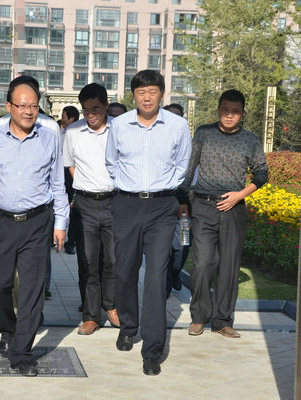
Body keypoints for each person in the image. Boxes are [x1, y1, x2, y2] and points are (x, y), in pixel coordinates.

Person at [0, 76, 69, 377]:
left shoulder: (49, 138)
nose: (28, 111)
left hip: (37, 222)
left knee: (32, 289)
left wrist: (61, 223)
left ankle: (21, 351)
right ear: (9, 106)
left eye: (33, 106)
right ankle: (7, 330)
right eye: (22, 105)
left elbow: (58, 184)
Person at [105, 69, 191, 376]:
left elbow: (183, 165)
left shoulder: (178, 126)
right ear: (134, 96)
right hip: (126, 204)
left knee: (156, 276)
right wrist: (128, 186)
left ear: (162, 94)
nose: (146, 97)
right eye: (141, 92)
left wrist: (163, 187)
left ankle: (152, 350)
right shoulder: (119, 125)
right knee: (125, 269)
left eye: (152, 91)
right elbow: (111, 162)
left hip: (162, 206)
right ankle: (128, 327)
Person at [179, 89, 267, 339]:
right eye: (226, 110)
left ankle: (223, 321)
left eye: (235, 111)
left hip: (234, 208)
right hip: (204, 206)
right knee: (203, 263)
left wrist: (240, 195)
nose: (230, 115)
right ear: (218, 110)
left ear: (242, 113)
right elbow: (189, 169)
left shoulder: (250, 140)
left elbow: (262, 173)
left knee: (229, 266)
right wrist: (182, 201)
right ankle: (199, 317)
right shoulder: (204, 133)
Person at [63, 83, 119, 335]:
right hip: (85, 205)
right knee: (87, 262)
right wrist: (84, 185)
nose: (90, 114)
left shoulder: (119, 129)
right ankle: (90, 315)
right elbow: (70, 164)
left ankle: (112, 305)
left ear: (106, 105)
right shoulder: (73, 132)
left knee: (114, 259)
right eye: (86, 110)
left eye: (95, 109)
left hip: (115, 202)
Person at [162, 103, 190, 297]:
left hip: (184, 208)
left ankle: (175, 272)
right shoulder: (156, 142)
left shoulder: (189, 143)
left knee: (182, 246)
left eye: (178, 116)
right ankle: (165, 286)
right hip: (161, 206)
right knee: (162, 249)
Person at [59, 106, 81, 257]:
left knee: (74, 209)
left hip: (73, 173)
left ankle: (71, 241)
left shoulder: (78, 134)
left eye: (64, 116)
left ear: (72, 118)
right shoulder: (60, 133)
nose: (62, 119)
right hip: (60, 173)